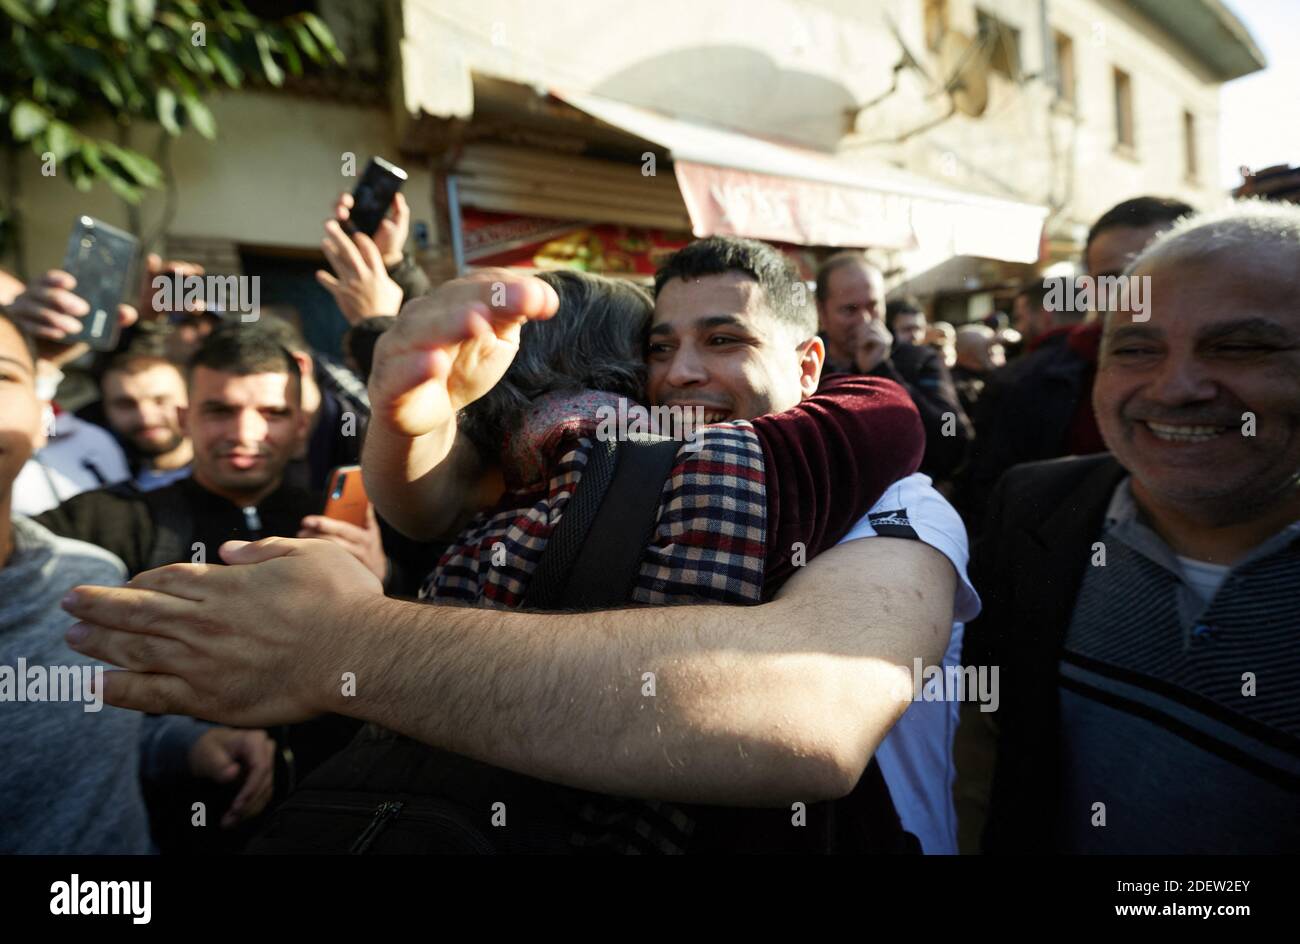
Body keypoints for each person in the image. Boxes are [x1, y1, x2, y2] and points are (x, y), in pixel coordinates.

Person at [60, 238, 979, 854]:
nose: (683, 372)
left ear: (810, 365)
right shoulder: (600, 472)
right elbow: (433, 505)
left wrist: (340, 647)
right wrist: (405, 403)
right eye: (661, 347)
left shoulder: (898, 504)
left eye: (725, 339)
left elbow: (806, 722)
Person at [967, 200, 1300, 853]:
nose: (1175, 387)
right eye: (1138, 348)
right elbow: (985, 737)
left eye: (1239, 346)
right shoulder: (1037, 512)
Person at [0, 312, 274, 853]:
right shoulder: (97, 522)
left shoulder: (89, 580)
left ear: (43, 417)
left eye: (0, 374)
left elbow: (94, 735)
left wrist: (188, 744)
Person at [958, 197, 1195, 526]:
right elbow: (989, 505)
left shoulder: (1258, 372)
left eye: (1165, 275)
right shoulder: (1027, 385)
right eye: (1116, 279)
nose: (1140, 294)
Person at [816, 252, 972, 481]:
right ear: (822, 312)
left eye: (873, 306)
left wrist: (882, 370)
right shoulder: (803, 364)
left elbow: (952, 439)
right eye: (849, 310)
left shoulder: (919, 360)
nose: (865, 320)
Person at [95, 341, 193, 491]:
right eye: (126, 405)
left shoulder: (229, 479)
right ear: (105, 410)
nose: (146, 418)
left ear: (190, 400)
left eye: (160, 401)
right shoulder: (96, 484)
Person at [951, 324, 1004, 417]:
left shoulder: (994, 376)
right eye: (989, 347)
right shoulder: (955, 385)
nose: (997, 352)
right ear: (969, 351)